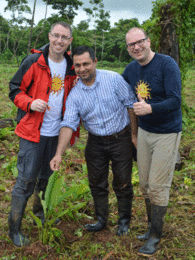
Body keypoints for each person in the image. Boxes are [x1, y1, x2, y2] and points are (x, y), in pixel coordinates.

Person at [50, 46, 138, 237]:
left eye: (86, 63)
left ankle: (124, 221)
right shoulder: (74, 94)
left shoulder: (113, 79)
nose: (82, 69)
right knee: (97, 183)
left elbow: (130, 105)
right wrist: (58, 153)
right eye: (78, 65)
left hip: (120, 138)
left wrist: (134, 135)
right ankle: (101, 220)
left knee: (122, 182)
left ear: (95, 62)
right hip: (96, 142)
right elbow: (68, 124)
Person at [8, 21, 79, 247]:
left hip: (56, 134)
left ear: (70, 42)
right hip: (32, 132)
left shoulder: (71, 66)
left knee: (46, 179)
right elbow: (14, 89)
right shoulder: (34, 61)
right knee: (26, 179)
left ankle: (40, 214)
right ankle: (14, 228)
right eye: (55, 36)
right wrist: (29, 103)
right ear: (49, 36)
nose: (59, 41)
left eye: (64, 37)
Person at [122, 27, 182, 256]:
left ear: (148, 41)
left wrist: (150, 108)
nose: (136, 47)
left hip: (167, 132)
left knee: (158, 186)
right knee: (145, 185)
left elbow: (175, 100)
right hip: (145, 133)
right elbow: (118, 89)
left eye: (140, 42)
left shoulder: (167, 65)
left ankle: (156, 237)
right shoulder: (131, 69)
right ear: (128, 48)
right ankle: (150, 228)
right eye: (131, 45)